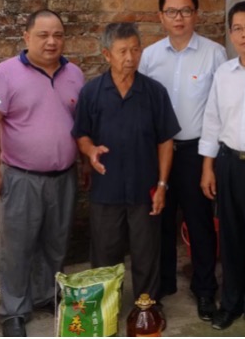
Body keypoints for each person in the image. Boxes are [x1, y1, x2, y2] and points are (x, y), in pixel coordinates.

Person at [0, 9, 85, 337]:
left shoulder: (74, 74)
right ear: (26, 37)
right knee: (17, 247)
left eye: (58, 35)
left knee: (55, 243)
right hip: (20, 177)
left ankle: (46, 295)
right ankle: (13, 310)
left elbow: (81, 125)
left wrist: (84, 164)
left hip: (64, 176)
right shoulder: (5, 74)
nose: (51, 41)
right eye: (43, 35)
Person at [72, 23, 180, 302]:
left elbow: (165, 141)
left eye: (135, 50)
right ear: (107, 55)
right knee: (105, 254)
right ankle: (106, 309)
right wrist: (90, 150)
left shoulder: (154, 92)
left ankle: (146, 309)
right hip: (106, 188)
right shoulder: (92, 92)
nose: (130, 57)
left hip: (145, 188)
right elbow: (81, 134)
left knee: (147, 253)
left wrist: (162, 185)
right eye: (122, 51)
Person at [139, 0, 226, 321]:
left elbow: (218, 110)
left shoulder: (214, 54)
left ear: (196, 14)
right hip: (158, 152)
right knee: (158, 221)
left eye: (186, 11)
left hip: (195, 152)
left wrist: (210, 163)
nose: (179, 18)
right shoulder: (150, 56)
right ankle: (161, 286)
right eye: (172, 12)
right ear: (161, 16)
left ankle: (204, 290)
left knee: (199, 222)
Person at [198, 1, 245, 336]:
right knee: (230, 240)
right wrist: (208, 167)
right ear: (231, 34)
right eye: (238, 29)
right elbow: (212, 120)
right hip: (228, 164)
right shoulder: (224, 74)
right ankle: (231, 304)